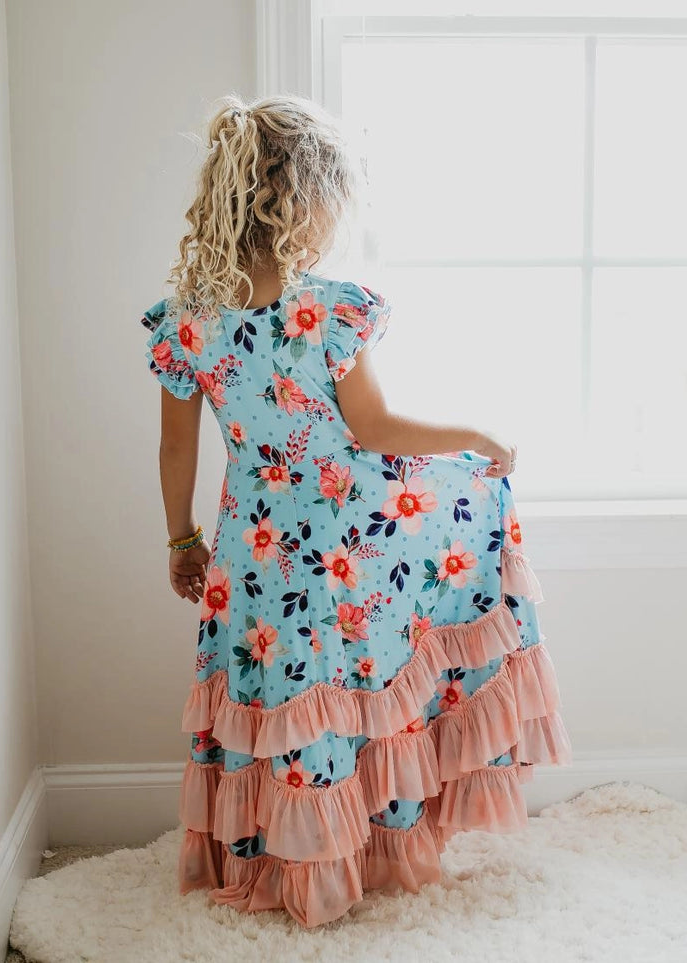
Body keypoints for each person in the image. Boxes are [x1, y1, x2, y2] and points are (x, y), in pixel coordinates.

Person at [143, 93, 571, 928]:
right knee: (345, 685)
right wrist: (473, 435)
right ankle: (349, 855)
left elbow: (174, 452)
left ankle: (275, 858)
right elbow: (372, 429)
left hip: (251, 548)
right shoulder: (326, 308)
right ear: (303, 199)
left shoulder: (186, 322)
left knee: (275, 689)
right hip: (341, 544)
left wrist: (182, 540)